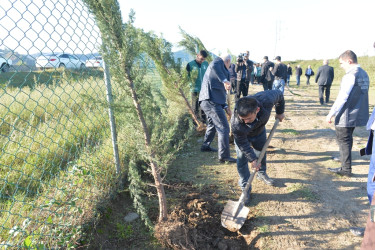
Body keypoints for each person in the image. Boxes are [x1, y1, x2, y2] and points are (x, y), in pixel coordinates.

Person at [231, 90, 285, 201]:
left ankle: (262, 173)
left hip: (259, 131)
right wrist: (252, 160)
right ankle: (245, 188)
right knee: (242, 159)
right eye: (243, 119)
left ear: (257, 110)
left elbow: (280, 95)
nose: (245, 121)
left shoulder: (267, 99)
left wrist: (280, 112)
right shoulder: (236, 123)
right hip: (243, 136)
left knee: (261, 152)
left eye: (249, 118)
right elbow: (242, 143)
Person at [326, 50, 369, 176]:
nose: (341, 66)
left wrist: (331, 113)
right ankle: (343, 158)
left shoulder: (351, 75)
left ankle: (346, 169)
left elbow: (342, 97)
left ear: (349, 61)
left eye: (341, 63)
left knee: (344, 140)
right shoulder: (364, 73)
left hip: (347, 114)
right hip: (358, 112)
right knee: (348, 139)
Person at [199, 54, 236, 163]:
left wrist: (225, 107)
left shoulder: (222, 71)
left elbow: (220, 92)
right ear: (228, 61)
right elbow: (215, 67)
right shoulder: (217, 62)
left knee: (212, 124)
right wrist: (225, 81)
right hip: (210, 101)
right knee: (224, 127)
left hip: (210, 101)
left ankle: (205, 145)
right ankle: (224, 156)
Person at [186, 50, 209, 123]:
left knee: (203, 106)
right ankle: (196, 123)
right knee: (195, 106)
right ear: (197, 56)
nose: (202, 61)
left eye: (204, 59)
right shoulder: (190, 65)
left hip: (204, 89)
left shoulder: (206, 64)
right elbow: (187, 77)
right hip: (194, 89)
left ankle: (204, 121)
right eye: (201, 59)